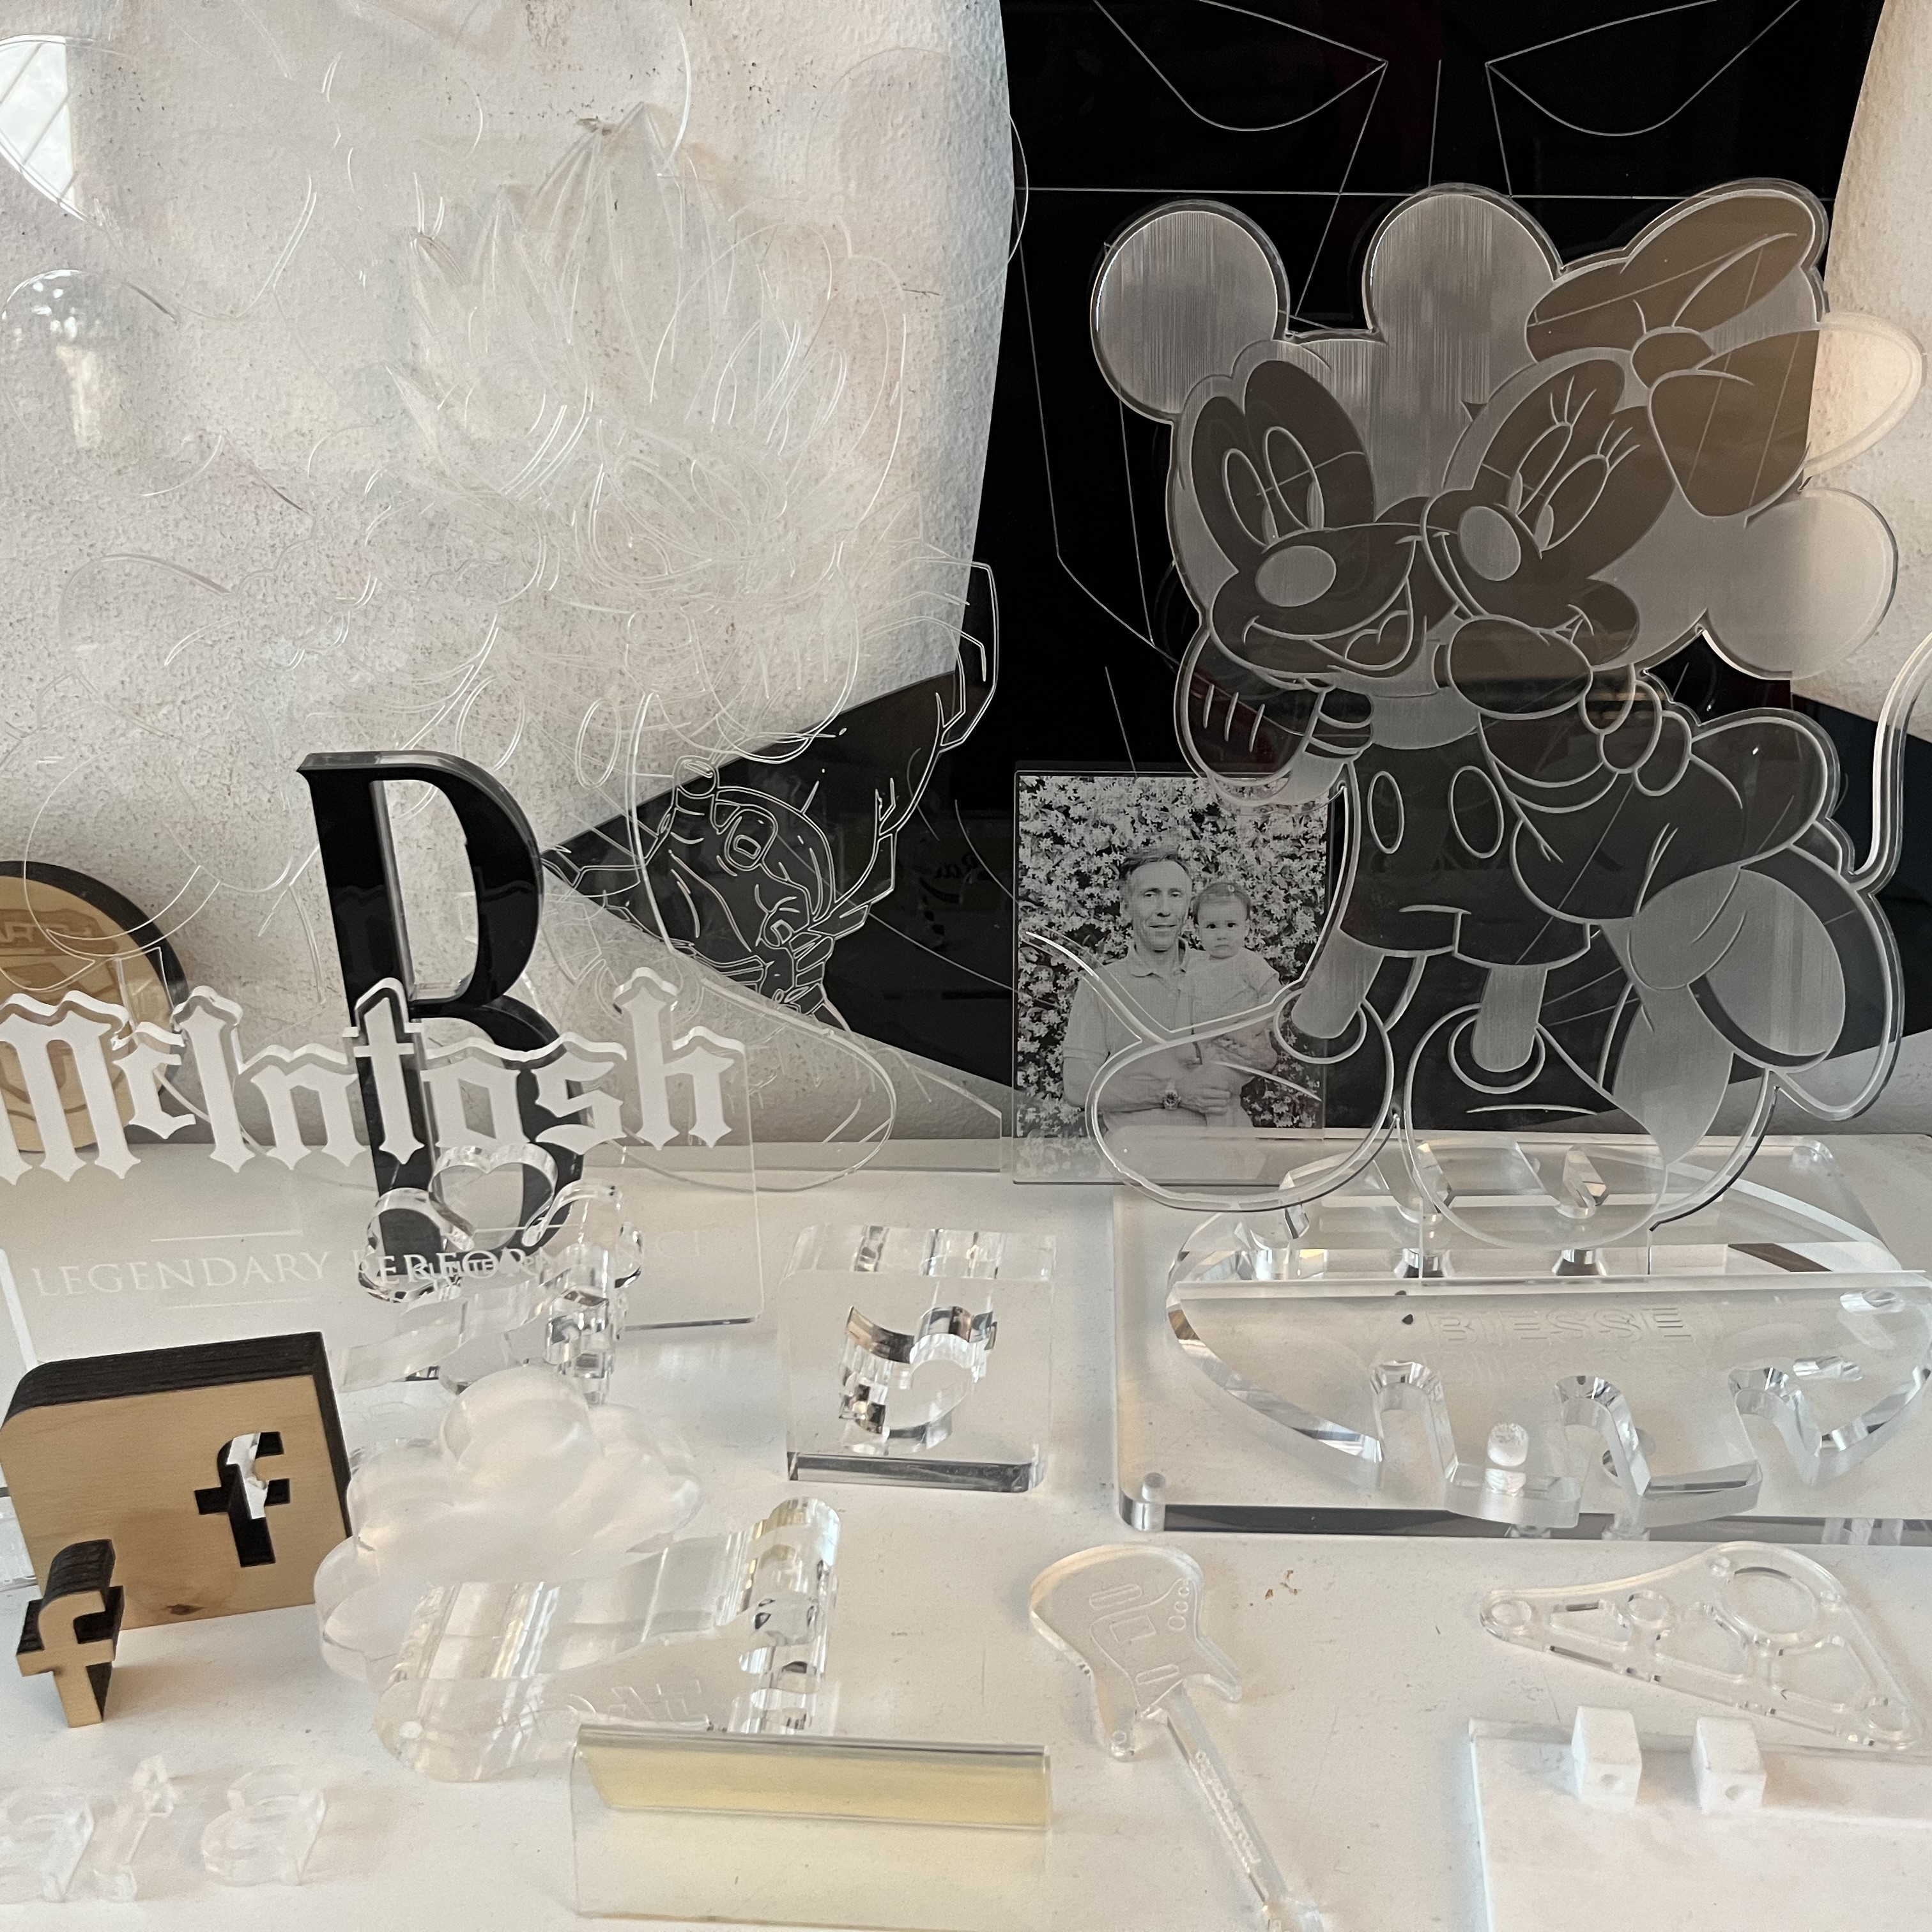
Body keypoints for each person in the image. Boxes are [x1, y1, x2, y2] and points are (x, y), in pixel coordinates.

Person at [1061, 846, 1238, 1127]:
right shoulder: (1101, 986)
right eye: (1150, 895)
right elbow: (1078, 1086)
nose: (1164, 910)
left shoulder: (1225, 970)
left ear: (1188, 907)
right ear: (1126, 907)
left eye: (1175, 895)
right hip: (1135, 1150)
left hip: (1223, 1147)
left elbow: (1260, 1055)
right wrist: (1174, 1092)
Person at [1184, 880, 1282, 1128]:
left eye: (1231, 925)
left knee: (1214, 1089)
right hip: (1209, 1052)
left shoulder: (1247, 962)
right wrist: (1187, 1046)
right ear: (1197, 931)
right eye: (1212, 926)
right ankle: (1235, 1137)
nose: (1222, 934)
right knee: (1220, 1096)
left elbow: (1275, 995)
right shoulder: (1195, 967)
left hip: (1241, 1048)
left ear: (1246, 928)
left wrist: (1250, 1027)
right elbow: (1186, 1007)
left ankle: (1220, 1142)